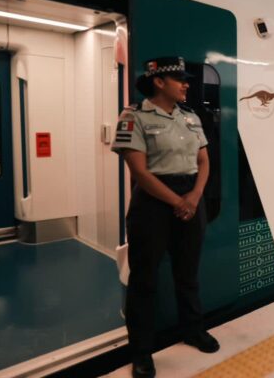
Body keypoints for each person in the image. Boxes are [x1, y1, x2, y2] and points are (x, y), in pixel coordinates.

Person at [112, 57, 219, 378]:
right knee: (144, 280)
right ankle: (142, 352)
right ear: (159, 82)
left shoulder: (191, 117)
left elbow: (204, 161)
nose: (186, 84)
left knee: (188, 273)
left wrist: (195, 197)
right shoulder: (134, 117)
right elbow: (139, 172)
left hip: (190, 195)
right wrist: (178, 202)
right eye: (179, 79)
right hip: (154, 204)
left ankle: (192, 329)